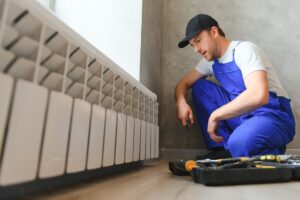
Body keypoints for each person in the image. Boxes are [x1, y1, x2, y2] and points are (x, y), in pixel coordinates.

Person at [175, 14, 295, 158]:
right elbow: (183, 84)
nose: (196, 49)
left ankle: (267, 149)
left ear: (214, 32)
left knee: (239, 144)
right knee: (200, 87)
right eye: (192, 45)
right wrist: (181, 102)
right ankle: (222, 149)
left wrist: (216, 115)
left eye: (198, 41)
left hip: (272, 114)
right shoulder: (210, 61)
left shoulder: (245, 50)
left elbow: (259, 95)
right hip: (242, 116)